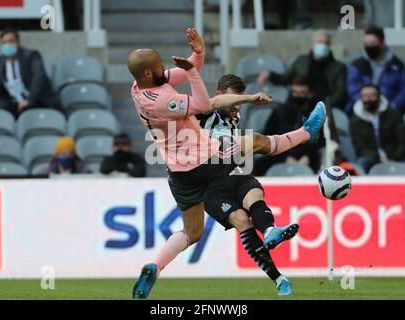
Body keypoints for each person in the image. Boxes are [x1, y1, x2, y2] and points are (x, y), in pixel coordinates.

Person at [127, 28, 326, 299]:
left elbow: (184, 71)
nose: (165, 67)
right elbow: (202, 102)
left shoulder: (139, 86)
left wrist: (198, 54)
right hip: (205, 159)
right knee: (256, 142)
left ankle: (155, 266)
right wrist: (200, 75)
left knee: (192, 231)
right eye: (159, 65)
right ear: (149, 72)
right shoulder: (162, 101)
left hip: (179, 173)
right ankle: (307, 133)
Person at [197, 74, 326, 295]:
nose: (237, 106)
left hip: (234, 172)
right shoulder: (204, 111)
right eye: (234, 100)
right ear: (220, 96)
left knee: (255, 197)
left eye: (239, 101)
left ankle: (269, 231)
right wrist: (248, 98)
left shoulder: (232, 118)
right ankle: (278, 278)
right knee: (241, 219)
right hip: (208, 183)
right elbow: (213, 104)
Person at [0, 29, 60, 118]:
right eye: (4, 43)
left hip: (37, 102)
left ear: (18, 42)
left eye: (10, 41)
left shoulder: (32, 56)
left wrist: (29, 100)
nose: (7, 45)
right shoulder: (0, 61)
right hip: (14, 105)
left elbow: (39, 77)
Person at [254, 76, 325, 176]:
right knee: (258, 164)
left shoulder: (317, 114)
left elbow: (321, 140)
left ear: (310, 94)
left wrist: (308, 156)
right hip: (280, 154)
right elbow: (268, 137)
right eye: (295, 92)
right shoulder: (280, 112)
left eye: (302, 93)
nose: (297, 96)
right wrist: (285, 157)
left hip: (309, 156)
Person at [257, 30, 346, 109]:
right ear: (312, 45)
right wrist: (270, 74)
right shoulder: (301, 61)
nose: (322, 46)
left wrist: (324, 105)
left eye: (325, 43)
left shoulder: (339, 67)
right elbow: (285, 78)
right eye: (319, 42)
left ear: (329, 46)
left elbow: (340, 92)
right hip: (299, 101)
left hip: (322, 106)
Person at [350, 84, 405, 173]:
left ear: (379, 96)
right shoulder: (356, 120)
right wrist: (378, 158)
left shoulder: (393, 114)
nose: (368, 99)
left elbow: (403, 141)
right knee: (361, 163)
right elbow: (359, 147)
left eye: (372, 95)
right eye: (365, 96)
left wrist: (394, 158)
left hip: (394, 155)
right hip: (372, 157)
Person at [346, 26, 405, 113]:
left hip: (390, 111)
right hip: (361, 109)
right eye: (367, 44)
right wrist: (365, 105)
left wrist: (391, 107)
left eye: (373, 43)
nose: (369, 47)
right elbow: (353, 89)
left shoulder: (397, 66)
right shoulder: (357, 65)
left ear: (382, 43)